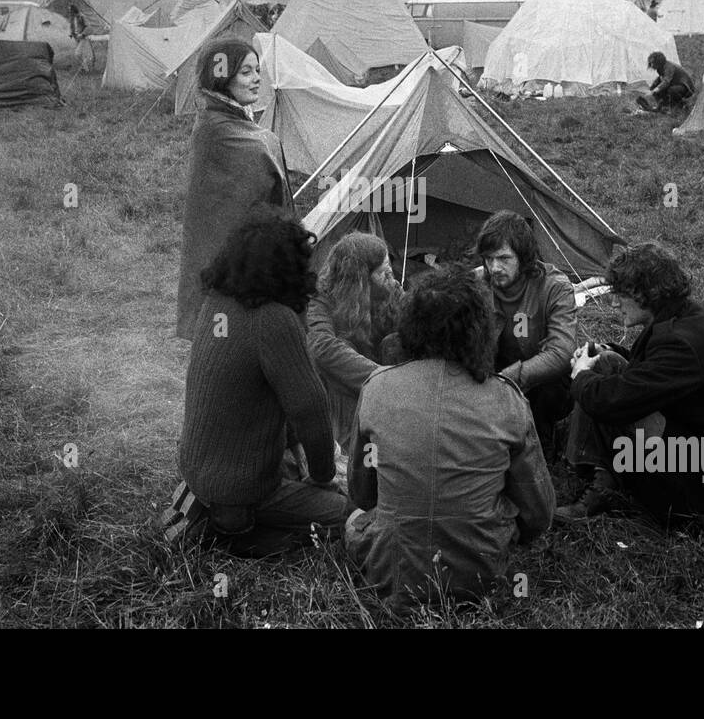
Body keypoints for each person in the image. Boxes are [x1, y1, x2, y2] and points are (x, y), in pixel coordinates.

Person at [346, 268, 555, 610]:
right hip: (481, 578)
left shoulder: (377, 388)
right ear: (481, 331)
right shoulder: (508, 399)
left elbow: (362, 493)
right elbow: (539, 513)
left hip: (392, 579)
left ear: (410, 325)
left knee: (354, 522)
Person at [556, 243, 704, 548]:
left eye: (620, 295)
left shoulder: (682, 343)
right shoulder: (687, 320)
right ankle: (603, 478)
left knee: (601, 385)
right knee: (606, 364)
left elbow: (613, 402)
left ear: (645, 294)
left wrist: (581, 375)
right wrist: (609, 353)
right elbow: (649, 375)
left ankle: (603, 484)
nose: (614, 305)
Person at [165, 206, 349, 557]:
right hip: (238, 495)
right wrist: (325, 476)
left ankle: (228, 525)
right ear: (289, 270)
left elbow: (283, 400)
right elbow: (311, 410)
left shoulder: (217, 301)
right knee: (348, 514)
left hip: (199, 473)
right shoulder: (273, 320)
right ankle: (241, 536)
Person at [175, 38, 291, 339]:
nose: (256, 80)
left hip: (250, 251)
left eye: (257, 71)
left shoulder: (232, 121)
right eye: (245, 72)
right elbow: (230, 204)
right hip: (231, 255)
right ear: (222, 76)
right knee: (233, 338)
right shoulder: (216, 130)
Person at [473, 210, 576, 460]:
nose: (494, 267)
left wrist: (511, 377)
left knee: (550, 388)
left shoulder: (555, 286)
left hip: (536, 378)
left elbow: (562, 351)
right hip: (491, 369)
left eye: (504, 258)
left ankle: (541, 445)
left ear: (524, 256)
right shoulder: (477, 282)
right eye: (488, 258)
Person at [307, 232, 404, 457]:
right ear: (361, 280)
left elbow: (420, 326)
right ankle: (352, 451)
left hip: (390, 394)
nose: (390, 276)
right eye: (382, 273)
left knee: (396, 341)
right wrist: (384, 379)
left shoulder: (392, 290)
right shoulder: (321, 299)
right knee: (337, 351)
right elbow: (321, 347)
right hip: (349, 399)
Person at [67, 4, 93, 72]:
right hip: (77, 38)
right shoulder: (72, 18)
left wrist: (82, 34)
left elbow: (89, 27)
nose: (69, 12)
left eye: (70, 10)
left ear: (74, 10)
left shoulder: (81, 17)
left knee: (77, 54)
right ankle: (85, 69)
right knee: (81, 54)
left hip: (83, 38)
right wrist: (71, 34)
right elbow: (73, 27)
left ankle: (85, 68)